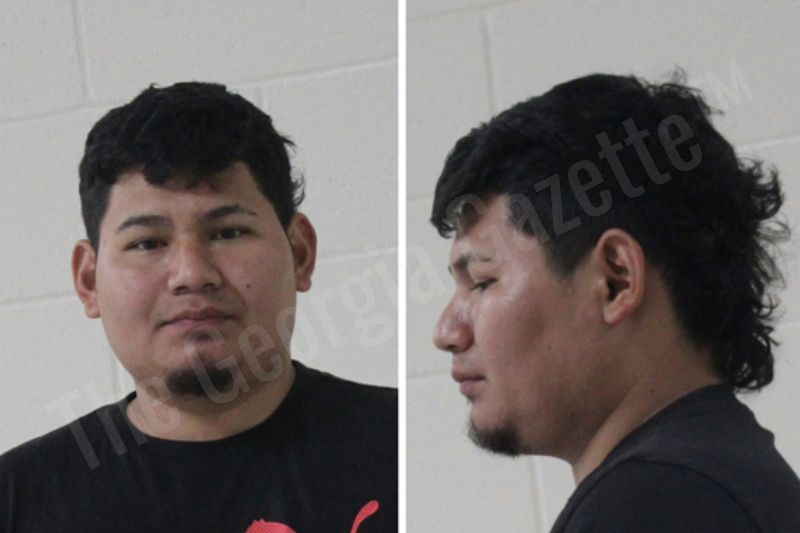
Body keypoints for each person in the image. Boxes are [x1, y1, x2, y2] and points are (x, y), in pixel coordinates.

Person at [0, 82, 397, 532]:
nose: (191, 273)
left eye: (228, 233)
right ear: (89, 280)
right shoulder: (19, 500)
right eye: (147, 243)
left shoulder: (398, 447)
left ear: (300, 253)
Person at [431, 72, 800, 531]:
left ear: (615, 280)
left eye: (483, 281)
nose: (446, 332)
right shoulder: (722, 480)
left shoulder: (655, 504)